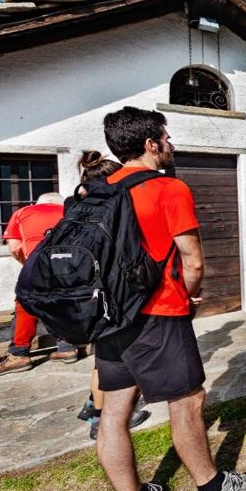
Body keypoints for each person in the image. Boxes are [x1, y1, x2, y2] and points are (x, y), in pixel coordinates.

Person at [95, 106, 246, 491]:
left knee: (113, 413)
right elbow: (192, 261)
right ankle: (211, 489)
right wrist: (189, 296)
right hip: (159, 313)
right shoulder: (168, 188)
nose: (171, 145)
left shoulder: (97, 189)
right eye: (167, 139)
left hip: (110, 317)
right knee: (187, 401)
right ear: (151, 144)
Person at [69, 151, 150, 439]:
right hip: (109, 298)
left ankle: (93, 405)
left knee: (100, 357)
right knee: (110, 362)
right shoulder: (112, 207)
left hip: (82, 296)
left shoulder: (75, 205)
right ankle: (101, 419)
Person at [0, 192, 79, 376]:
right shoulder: (71, 213)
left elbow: (15, 247)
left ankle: (19, 354)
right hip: (69, 268)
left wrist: (27, 266)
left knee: (25, 303)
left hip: (37, 266)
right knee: (61, 302)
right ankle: (67, 347)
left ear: (38, 202)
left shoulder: (23, 212)